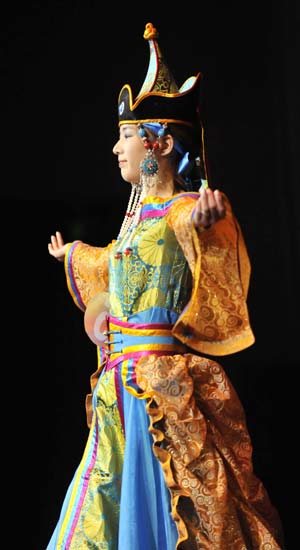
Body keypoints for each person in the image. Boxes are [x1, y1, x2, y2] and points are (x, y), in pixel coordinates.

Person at [47, 22, 284, 550]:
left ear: (161, 142)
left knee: (165, 508)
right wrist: (79, 263)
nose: (116, 148)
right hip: (120, 388)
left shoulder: (178, 212)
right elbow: (111, 272)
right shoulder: (135, 221)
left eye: (127, 136)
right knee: (102, 505)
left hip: (159, 389)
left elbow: (194, 227)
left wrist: (209, 222)